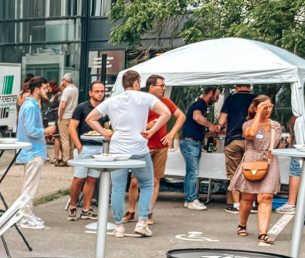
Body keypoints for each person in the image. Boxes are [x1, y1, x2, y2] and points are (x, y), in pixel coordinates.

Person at [86, 69, 171, 238]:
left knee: (117, 187)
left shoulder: (112, 100)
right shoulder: (146, 97)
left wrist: (105, 133)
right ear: (137, 83)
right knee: (147, 185)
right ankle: (142, 222)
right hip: (139, 147)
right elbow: (166, 113)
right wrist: (152, 131)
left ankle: (118, 225)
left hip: (118, 148)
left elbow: (90, 118)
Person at [125, 74, 185, 226]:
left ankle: (148, 212)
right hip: (142, 145)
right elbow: (129, 123)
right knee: (134, 181)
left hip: (161, 146)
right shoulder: (141, 101)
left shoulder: (165, 102)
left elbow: (181, 116)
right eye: (161, 86)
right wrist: (145, 127)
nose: (164, 88)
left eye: (164, 86)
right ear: (151, 87)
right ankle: (131, 211)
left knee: (155, 180)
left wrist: (171, 134)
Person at [229, 95, 281, 244]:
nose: (268, 109)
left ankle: (263, 233)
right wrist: (258, 113)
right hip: (251, 162)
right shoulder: (248, 124)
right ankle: (242, 224)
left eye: (270, 106)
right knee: (248, 197)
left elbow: (276, 145)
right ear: (256, 108)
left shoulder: (276, 126)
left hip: (270, 161)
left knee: (266, 197)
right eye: (265, 107)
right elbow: (250, 135)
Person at [16, 76, 56, 229]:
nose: (48, 90)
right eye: (46, 88)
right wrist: (46, 131)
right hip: (33, 152)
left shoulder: (29, 105)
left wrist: (44, 133)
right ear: (37, 89)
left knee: (28, 186)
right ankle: (24, 217)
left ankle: (26, 215)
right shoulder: (31, 106)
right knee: (29, 188)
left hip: (31, 151)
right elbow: (31, 131)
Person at [67, 80, 111, 221]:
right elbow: (72, 127)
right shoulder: (81, 108)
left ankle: (86, 209)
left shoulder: (105, 109)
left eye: (102, 91)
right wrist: (78, 145)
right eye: (97, 91)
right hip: (84, 147)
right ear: (90, 93)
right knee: (79, 178)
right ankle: (72, 207)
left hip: (99, 147)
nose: (100, 94)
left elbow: (106, 128)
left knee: (92, 179)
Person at [179, 86, 221, 210]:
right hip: (191, 143)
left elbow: (202, 131)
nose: (216, 100)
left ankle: (189, 199)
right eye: (216, 97)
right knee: (193, 173)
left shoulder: (200, 106)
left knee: (190, 173)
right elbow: (197, 117)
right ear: (210, 93)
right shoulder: (199, 105)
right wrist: (211, 125)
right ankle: (192, 200)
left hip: (192, 142)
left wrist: (215, 131)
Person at [219, 84, 256, 214]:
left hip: (233, 140)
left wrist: (220, 126)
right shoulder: (256, 99)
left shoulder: (230, 99)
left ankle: (236, 204)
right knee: (252, 172)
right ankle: (253, 204)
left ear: (236, 86)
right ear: (249, 86)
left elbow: (222, 121)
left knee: (234, 173)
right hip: (252, 141)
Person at [277, 116, 300, 214]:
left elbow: (293, 122)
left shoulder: (299, 111)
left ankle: (291, 203)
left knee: (295, 171)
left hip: (299, 147)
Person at [58, 73, 78, 168]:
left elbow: (63, 105)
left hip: (65, 116)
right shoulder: (75, 89)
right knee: (71, 139)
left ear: (65, 80)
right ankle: (71, 157)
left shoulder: (66, 91)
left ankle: (66, 159)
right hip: (73, 116)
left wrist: (60, 117)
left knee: (64, 139)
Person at [47, 79, 62, 164]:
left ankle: (56, 156)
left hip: (58, 117)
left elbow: (62, 105)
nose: (48, 88)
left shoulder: (58, 94)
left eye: (49, 86)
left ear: (53, 86)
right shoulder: (52, 95)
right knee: (57, 137)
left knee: (57, 137)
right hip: (53, 117)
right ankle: (62, 155)